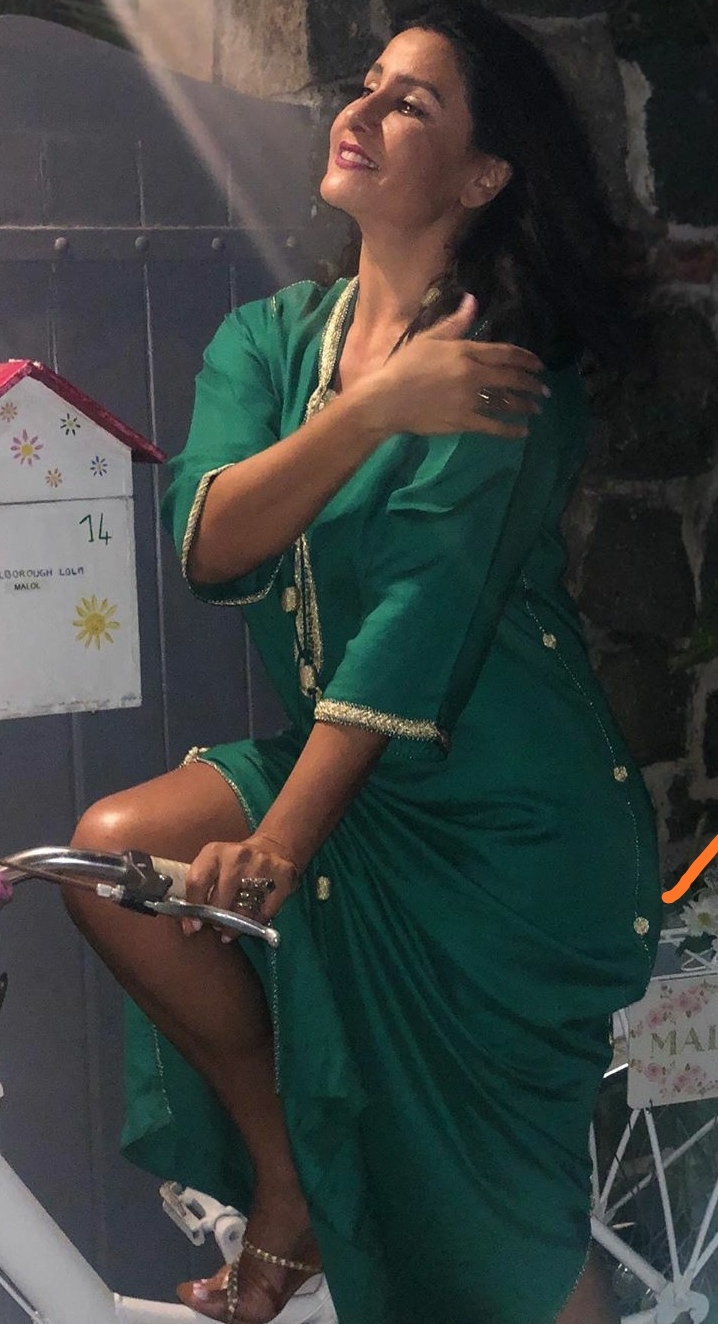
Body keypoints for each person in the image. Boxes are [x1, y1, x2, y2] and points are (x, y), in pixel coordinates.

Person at [63, 3, 663, 1322]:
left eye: (413, 103)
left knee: (490, 1213)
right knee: (115, 862)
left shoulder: (506, 370)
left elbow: (418, 622)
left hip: (501, 820)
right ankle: (287, 1181)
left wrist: (278, 843)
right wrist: (372, 408)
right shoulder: (272, 341)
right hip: (349, 782)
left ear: (482, 175)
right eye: (369, 83)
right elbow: (209, 541)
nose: (364, 111)